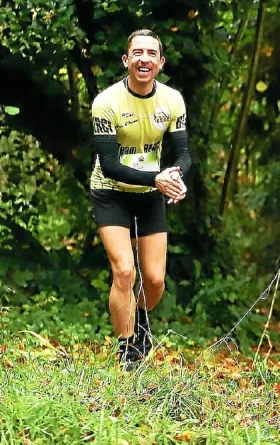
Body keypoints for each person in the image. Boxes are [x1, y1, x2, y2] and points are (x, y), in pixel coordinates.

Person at [90, 29, 191, 370]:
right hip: (111, 191)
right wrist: (158, 178)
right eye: (137, 53)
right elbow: (110, 165)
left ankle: (142, 322)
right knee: (124, 271)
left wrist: (175, 176)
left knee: (155, 279)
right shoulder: (106, 102)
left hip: (151, 194)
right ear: (126, 60)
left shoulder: (173, 100)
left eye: (151, 53)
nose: (144, 59)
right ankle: (127, 352)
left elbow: (183, 153)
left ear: (160, 63)